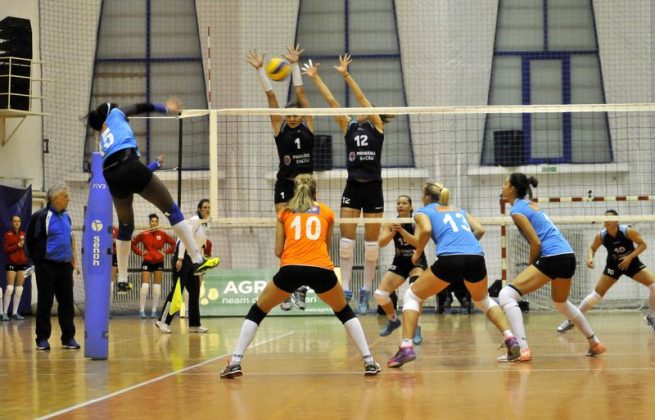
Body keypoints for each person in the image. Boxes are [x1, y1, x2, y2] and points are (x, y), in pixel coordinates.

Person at [220, 174, 381, 378]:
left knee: (258, 310)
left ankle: (235, 362)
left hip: (291, 269)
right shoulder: (327, 212)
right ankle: (369, 361)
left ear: (294, 190)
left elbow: (278, 251)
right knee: (344, 311)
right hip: (321, 268)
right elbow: (326, 247)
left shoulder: (285, 212)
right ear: (315, 191)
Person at [86, 98, 219, 294]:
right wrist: (166, 108)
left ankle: (122, 279)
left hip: (110, 174)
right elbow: (141, 106)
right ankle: (197, 259)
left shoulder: (103, 139)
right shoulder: (115, 114)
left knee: (125, 226)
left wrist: (153, 166)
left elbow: (130, 175)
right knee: (172, 210)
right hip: (129, 164)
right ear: (109, 111)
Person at [387, 182, 520, 367]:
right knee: (483, 300)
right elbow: (480, 229)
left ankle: (406, 347)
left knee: (412, 295)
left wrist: (417, 253)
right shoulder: (459, 210)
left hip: (450, 259)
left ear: (426, 197)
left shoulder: (422, 211)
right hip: (475, 257)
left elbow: (426, 230)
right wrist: (465, 245)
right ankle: (510, 338)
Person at [303, 54, 392, 314]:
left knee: (371, 247)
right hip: (353, 186)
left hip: (373, 188)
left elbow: (362, 98)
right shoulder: (349, 127)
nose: (360, 108)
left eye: (366, 107)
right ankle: (347, 289)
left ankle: (365, 291)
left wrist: (346, 75)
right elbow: (332, 102)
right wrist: (316, 78)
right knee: (346, 243)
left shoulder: (377, 127)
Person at [498, 173, 606, 361]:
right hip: (568, 255)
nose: (502, 186)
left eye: (505, 183)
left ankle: (522, 350)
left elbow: (536, 243)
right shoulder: (530, 204)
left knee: (506, 295)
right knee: (561, 302)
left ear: (513, 188)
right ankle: (595, 343)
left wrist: (531, 266)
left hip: (553, 256)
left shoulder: (517, 210)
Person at [247, 44, 314, 312]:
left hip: (306, 187)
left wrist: (295, 65)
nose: (294, 117)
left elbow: (301, 94)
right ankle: (287, 288)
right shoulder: (279, 128)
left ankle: (301, 287)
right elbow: (272, 98)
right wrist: (260, 70)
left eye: (297, 113)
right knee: (285, 235)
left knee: (302, 237)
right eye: (290, 114)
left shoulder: (309, 124)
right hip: (285, 185)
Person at [557, 210, 655, 333]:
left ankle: (651, 317)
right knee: (596, 296)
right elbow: (592, 248)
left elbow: (643, 245)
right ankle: (572, 321)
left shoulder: (627, 231)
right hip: (613, 266)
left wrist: (629, 257)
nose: (606, 221)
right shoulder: (601, 236)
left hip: (631, 264)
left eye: (609, 218)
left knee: (654, 286)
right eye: (605, 218)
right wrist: (590, 258)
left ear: (617, 220)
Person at [25, 185, 80, 350]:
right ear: (56, 199)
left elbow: (70, 240)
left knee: (67, 303)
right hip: (46, 266)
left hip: (65, 267)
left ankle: (68, 338)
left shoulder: (67, 217)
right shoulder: (40, 217)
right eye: (65, 196)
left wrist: (73, 262)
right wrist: (37, 262)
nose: (68, 199)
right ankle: (42, 338)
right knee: (45, 302)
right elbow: (29, 241)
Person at [157, 199, 215, 334]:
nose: (207, 209)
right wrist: (180, 258)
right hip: (182, 258)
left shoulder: (206, 224)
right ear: (199, 209)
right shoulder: (194, 220)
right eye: (205, 207)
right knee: (177, 291)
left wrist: (200, 261)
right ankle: (163, 321)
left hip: (193, 260)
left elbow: (199, 245)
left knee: (194, 292)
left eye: (209, 207)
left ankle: (194, 324)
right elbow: (184, 238)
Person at [375, 195, 427, 344]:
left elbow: (418, 243)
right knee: (380, 294)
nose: (400, 205)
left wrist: (402, 231)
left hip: (417, 262)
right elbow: (381, 243)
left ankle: (416, 328)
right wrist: (393, 232)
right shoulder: (391, 223)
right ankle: (393, 320)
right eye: (398, 203)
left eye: (404, 203)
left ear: (410, 206)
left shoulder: (416, 221)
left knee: (415, 295)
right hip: (400, 262)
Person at [131, 213, 176, 319]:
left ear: (158, 223)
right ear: (149, 223)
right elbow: (133, 244)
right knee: (145, 286)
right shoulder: (144, 233)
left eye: (156, 221)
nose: (154, 223)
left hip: (159, 262)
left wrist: (165, 252)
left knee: (156, 286)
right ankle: (142, 311)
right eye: (152, 221)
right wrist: (141, 253)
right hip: (147, 261)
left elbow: (174, 244)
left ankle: (154, 311)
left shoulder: (162, 234)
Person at [2, 215, 28, 320]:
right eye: (15, 221)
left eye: (19, 221)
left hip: (22, 264)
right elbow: (5, 250)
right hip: (11, 263)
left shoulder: (24, 235)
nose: (17, 223)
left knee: (19, 289)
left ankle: (14, 313)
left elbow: (27, 249)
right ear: (11, 223)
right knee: (9, 288)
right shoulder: (7, 235)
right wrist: (17, 246)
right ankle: (4, 313)